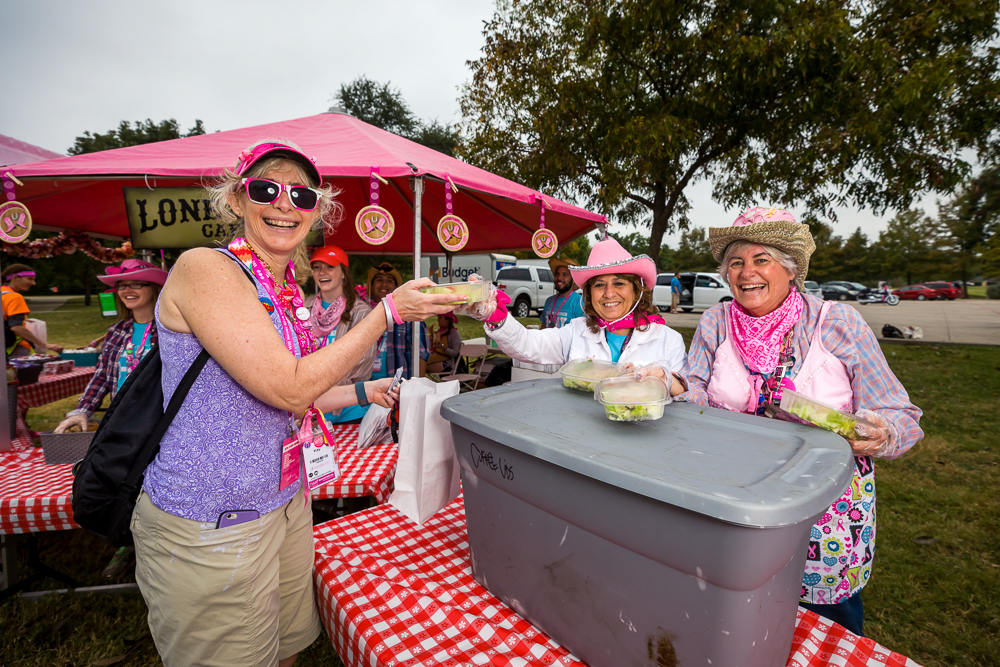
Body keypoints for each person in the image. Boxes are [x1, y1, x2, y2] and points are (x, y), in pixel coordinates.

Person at [131, 139, 460, 667]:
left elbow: (301, 394)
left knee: (286, 648)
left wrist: (365, 390)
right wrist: (386, 314)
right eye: (266, 189)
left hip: (286, 500)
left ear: (315, 212)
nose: (285, 203)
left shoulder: (281, 289)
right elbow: (287, 387)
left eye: (302, 196)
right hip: (214, 519)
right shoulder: (205, 269)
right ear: (236, 199)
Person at [676, 207, 923, 637]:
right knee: (739, 615)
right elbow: (695, 390)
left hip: (825, 510)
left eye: (761, 259)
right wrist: (672, 386)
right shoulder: (716, 321)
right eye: (736, 262)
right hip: (733, 496)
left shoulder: (836, 321)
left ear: (790, 269)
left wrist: (879, 432)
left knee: (827, 630)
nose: (747, 272)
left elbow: (899, 414)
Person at [54, 259, 167, 579]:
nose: (127, 290)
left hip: (156, 421)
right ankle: (126, 542)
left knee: (152, 482)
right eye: (121, 285)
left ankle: (151, 546)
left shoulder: (170, 330)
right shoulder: (116, 331)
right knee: (122, 480)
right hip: (121, 422)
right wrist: (81, 410)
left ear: (153, 288)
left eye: (136, 284)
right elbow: (101, 378)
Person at [461, 237, 687, 390]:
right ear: (589, 293)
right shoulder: (576, 331)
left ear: (637, 291)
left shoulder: (669, 341)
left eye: (619, 283)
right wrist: (495, 315)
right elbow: (528, 344)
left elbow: (688, 396)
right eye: (599, 285)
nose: (609, 293)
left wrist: (666, 380)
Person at [305, 244, 376, 424]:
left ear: (343, 273)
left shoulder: (361, 312)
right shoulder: (302, 307)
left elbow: (362, 363)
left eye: (330, 266)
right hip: (308, 412)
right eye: (317, 267)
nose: (322, 272)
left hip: (350, 410)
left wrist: (316, 383)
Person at [366, 262, 429, 381]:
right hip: (364, 385)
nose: (384, 284)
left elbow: (421, 354)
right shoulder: (361, 313)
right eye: (379, 280)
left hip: (397, 386)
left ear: (396, 288)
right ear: (372, 285)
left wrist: (417, 385)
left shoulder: (409, 314)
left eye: (389, 281)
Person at [2, 264, 63, 356]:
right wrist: (44, 345)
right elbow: (16, 327)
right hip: (14, 349)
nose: (33, 283)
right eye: (30, 279)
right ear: (15, 278)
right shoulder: (14, 297)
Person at [541, 256, 585, 329]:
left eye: (564, 275)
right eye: (557, 274)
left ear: (573, 279)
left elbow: (582, 330)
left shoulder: (579, 302)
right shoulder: (549, 301)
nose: (559, 278)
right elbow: (543, 327)